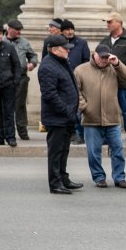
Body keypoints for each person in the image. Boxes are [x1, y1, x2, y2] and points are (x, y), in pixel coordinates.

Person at [74, 45, 126, 188]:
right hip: (90, 118)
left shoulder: (114, 68)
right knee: (93, 152)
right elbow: (76, 91)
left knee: (117, 149)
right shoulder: (81, 70)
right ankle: (99, 177)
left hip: (112, 118)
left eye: (107, 57)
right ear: (95, 55)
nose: (104, 60)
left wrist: (118, 64)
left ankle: (119, 177)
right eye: (102, 57)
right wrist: (84, 107)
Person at [38, 35, 82, 195]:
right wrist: (66, 110)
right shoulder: (48, 66)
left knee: (64, 151)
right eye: (65, 48)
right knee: (56, 153)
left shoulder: (61, 62)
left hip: (66, 118)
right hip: (57, 118)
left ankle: (63, 179)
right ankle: (55, 184)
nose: (68, 51)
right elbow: (50, 95)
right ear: (55, 50)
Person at [100, 11, 126, 148]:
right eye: (106, 22)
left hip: (123, 82)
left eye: (110, 22)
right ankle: (106, 137)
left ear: (119, 23)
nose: (107, 25)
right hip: (106, 82)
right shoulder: (105, 41)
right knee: (106, 109)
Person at [4, 19, 38, 141]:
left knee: (20, 105)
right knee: (5, 105)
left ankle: (22, 130)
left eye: (20, 30)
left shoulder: (24, 42)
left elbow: (33, 55)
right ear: (9, 29)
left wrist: (32, 63)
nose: (19, 32)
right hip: (5, 78)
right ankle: (6, 131)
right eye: (16, 30)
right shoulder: (1, 41)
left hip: (21, 77)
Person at [60, 19, 91, 145]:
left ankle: (80, 134)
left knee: (79, 109)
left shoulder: (81, 43)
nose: (70, 31)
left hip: (78, 80)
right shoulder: (58, 42)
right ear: (62, 31)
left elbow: (86, 60)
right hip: (63, 80)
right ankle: (71, 133)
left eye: (72, 29)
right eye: (67, 29)